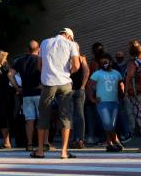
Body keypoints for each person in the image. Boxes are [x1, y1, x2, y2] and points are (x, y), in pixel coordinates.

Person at [32, 28, 80, 159]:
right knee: (66, 116)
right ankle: (64, 152)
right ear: (69, 36)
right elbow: (76, 65)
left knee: (43, 116)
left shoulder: (44, 42)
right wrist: (67, 73)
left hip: (48, 83)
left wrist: (48, 73)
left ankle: (40, 150)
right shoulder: (72, 44)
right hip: (65, 83)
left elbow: (40, 66)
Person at [88, 54, 125, 152]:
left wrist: (123, 94)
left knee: (111, 125)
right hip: (102, 102)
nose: (104, 64)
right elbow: (90, 85)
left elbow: (121, 84)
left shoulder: (116, 73)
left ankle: (109, 144)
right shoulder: (97, 73)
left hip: (114, 102)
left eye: (106, 61)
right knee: (107, 124)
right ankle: (116, 140)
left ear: (111, 62)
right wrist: (92, 98)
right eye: (102, 62)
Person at [13, 40, 41, 151]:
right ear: (38, 49)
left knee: (29, 120)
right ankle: (43, 143)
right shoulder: (40, 60)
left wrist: (17, 88)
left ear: (27, 50)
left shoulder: (20, 61)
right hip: (39, 92)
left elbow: (10, 74)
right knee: (41, 119)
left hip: (26, 94)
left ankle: (29, 144)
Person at [0, 50, 16, 149]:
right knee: (9, 118)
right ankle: (9, 140)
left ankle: (6, 142)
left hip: (0, 96)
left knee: (2, 119)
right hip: (9, 95)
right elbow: (11, 79)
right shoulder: (7, 68)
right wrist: (17, 88)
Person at [70, 51, 89, 149]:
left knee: (74, 115)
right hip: (74, 90)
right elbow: (86, 72)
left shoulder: (80, 58)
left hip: (73, 89)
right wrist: (83, 86)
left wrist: (83, 86)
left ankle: (77, 140)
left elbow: (86, 72)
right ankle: (78, 140)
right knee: (77, 115)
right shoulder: (81, 58)